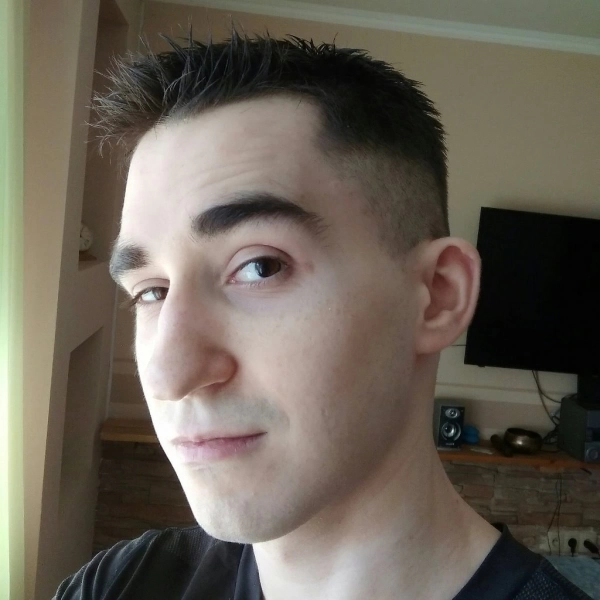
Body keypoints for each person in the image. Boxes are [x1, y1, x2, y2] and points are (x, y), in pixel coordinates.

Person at [54, 30, 592, 600]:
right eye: (151, 292)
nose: (168, 375)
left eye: (260, 266)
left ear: (438, 295)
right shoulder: (120, 584)